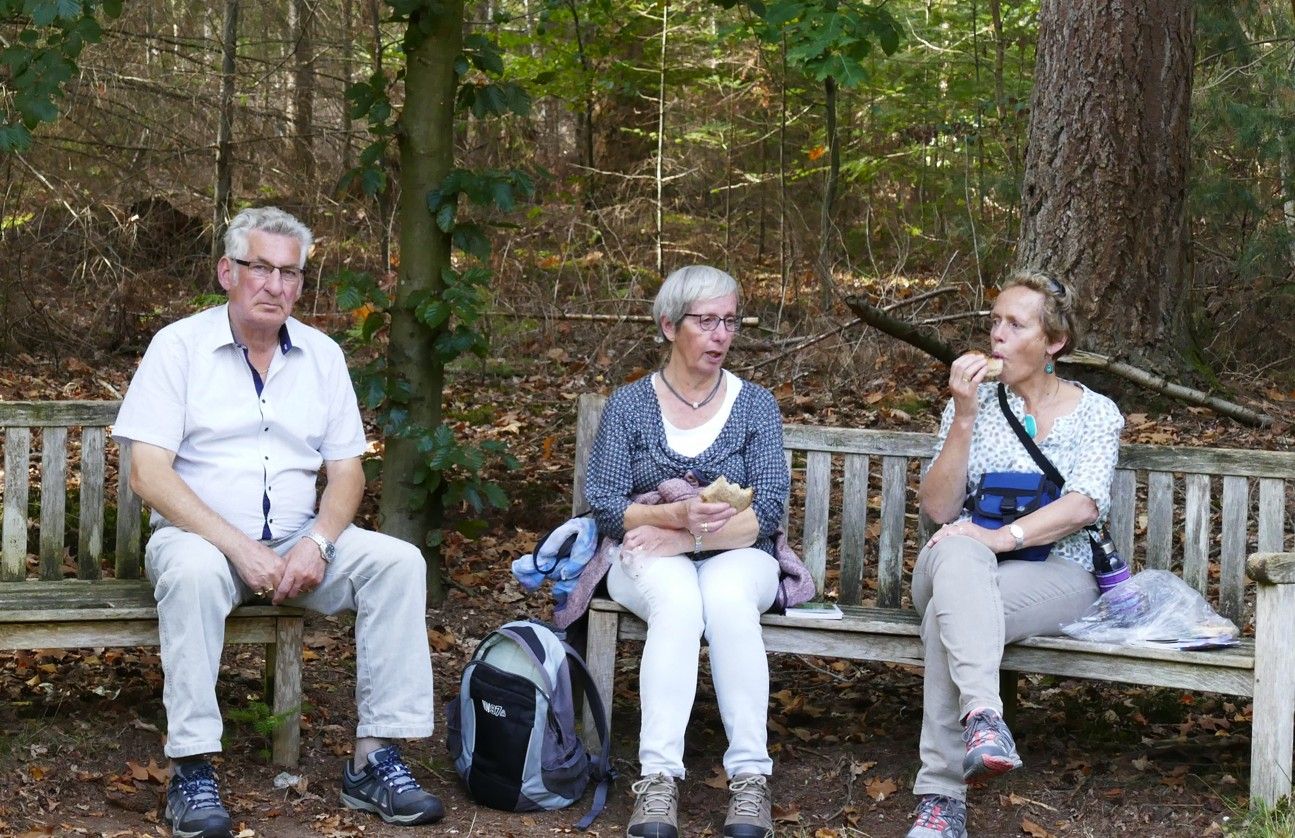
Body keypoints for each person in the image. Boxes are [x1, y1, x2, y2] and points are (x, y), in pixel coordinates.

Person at [112, 207, 444, 838]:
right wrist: (239, 548)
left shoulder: (322, 356)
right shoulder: (177, 348)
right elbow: (147, 474)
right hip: (200, 539)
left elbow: (347, 474)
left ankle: (376, 759)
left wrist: (318, 543)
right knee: (190, 571)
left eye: (290, 273)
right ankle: (192, 768)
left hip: (297, 540)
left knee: (399, 562)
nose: (275, 286)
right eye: (260, 268)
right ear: (226, 273)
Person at [905, 270, 1124, 838]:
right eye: (994, 321)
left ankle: (940, 799)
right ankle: (985, 715)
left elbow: (1082, 506)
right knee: (957, 554)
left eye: (1015, 324)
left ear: (1054, 343)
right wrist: (964, 416)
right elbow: (937, 507)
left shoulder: (1095, 413)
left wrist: (999, 537)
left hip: (1055, 571)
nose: (996, 335)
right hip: (953, 561)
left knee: (944, 616)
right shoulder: (971, 404)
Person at [583, 265, 788, 838]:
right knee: (677, 600)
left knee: (723, 597)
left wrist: (684, 534)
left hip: (739, 555)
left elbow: (767, 510)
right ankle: (658, 781)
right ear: (669, 325)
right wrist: (669, 518)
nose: (720, 334)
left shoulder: (755, 406)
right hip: (648, 556)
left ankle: (750, 779)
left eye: (729, 321)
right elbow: (602, 501)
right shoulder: (630, 406)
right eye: (706, 321)